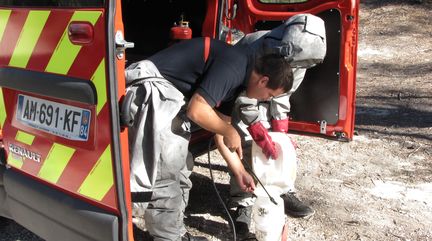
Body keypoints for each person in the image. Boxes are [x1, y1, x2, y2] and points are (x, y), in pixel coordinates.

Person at [125, 37, 294, 241]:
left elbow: (220, 134)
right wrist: (230, 131)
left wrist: (240, 171)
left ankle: (174, 233)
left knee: (182, 165)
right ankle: (167, 238)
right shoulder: (235, 66)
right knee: (167, 170)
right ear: (264, 80)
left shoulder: (239, 84)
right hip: (149, 89)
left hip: (168, 98)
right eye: (268, 95)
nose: (265, 100)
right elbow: (197, 110)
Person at [215, 13, 327, 238]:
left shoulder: (303, 56)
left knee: (280, 147)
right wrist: (256, 129)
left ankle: (282, 189)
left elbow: (282, 94)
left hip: (265, 91)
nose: (297, 67)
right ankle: (242, 203)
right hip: (240, 98)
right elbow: (243, 96)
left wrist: (280, 132)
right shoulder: (252, 47)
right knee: (245, 141)